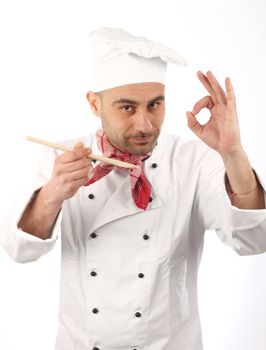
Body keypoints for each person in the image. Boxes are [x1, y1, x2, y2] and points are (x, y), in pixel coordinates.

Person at [1, 27, 266, 350]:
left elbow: (254, 240)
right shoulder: (62, 156)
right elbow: (20, 251)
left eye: (155, 105)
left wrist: (233, 153)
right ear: (95, 104)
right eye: (127, 107)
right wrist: (52, 195)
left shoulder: (193, 161)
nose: (145, 125)